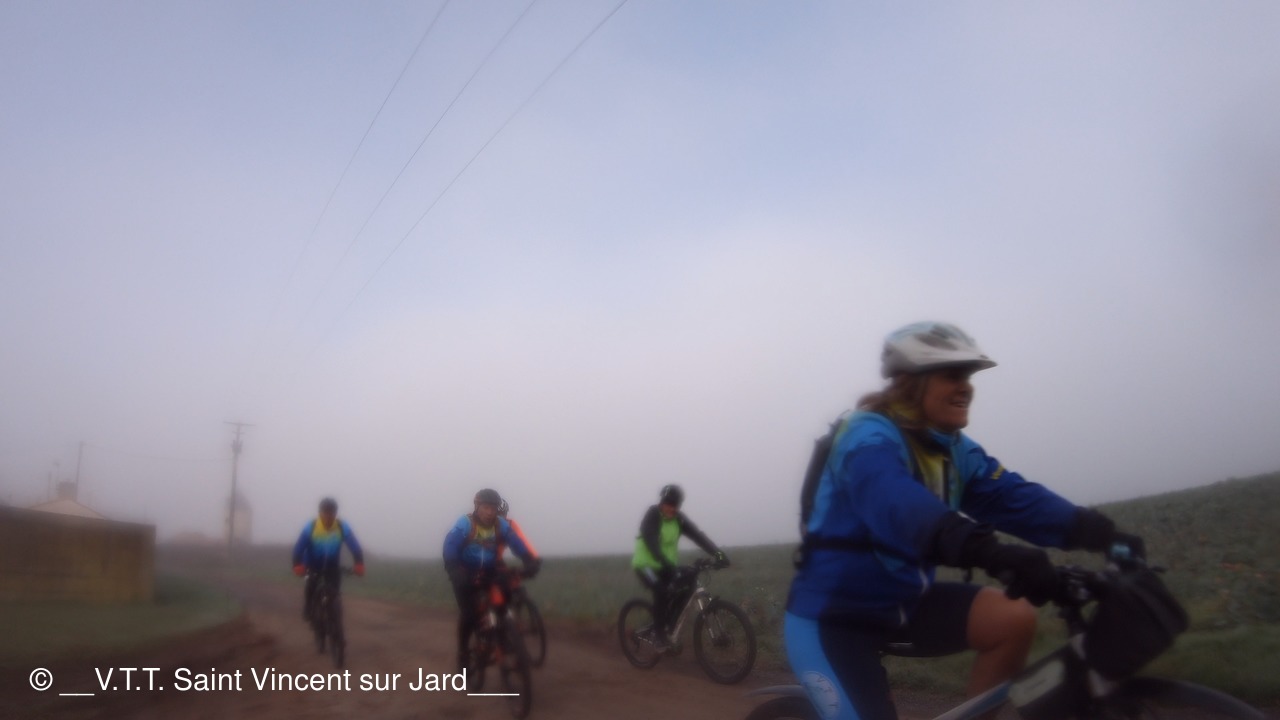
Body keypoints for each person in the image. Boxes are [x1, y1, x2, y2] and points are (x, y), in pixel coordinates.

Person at [785, 321, 1144, 720]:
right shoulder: (865, 435)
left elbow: (1013, 498)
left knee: (1013, 619)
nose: (966, 387)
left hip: (905, 603)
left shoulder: (954, 449)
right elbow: (893, 500)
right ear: (912, 382)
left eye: (969, 376)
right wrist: (985, 550)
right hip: (833, 619)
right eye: (953, 375)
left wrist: (1101, 533)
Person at [442, 488, 541, 673]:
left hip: (490, 570)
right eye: (486, 508)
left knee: (504, 600)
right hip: (465, 572)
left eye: (493, 508)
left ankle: (503, 636)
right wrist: (454, 570)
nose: (489, 512)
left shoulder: (500, 525)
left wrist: (529, 559)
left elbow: (516, 543)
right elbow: (450, 546)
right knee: (469, 615)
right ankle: (463, 652)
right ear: (477, 506)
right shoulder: (465, 523)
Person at [630, 484, 729, 649]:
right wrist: (664, 561)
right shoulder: (653, 515)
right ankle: (659, 635)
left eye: (675, 505)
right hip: (646, 565)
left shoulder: (679, 519)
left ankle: (669, 627)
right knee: (661, 590)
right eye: (668, 504)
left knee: (688, 584)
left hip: (666, 565)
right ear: (662, 502)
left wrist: (718, 554)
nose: (671, 508)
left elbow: (698, 536)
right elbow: (650, 540)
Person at [292, 497, 365, 644]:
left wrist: (359, 564)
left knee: (335, 594)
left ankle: (335, 620)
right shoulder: (312, 526)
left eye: (331, 513)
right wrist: (297, 564)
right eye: (325, 512)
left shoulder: (342, 527)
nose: (328, 516)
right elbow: (299, 547)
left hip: (332, 566)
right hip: (312, 564)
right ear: (320, 513)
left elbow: (355, 547)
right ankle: (308, 607)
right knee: (311, 586)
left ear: (335, 513)